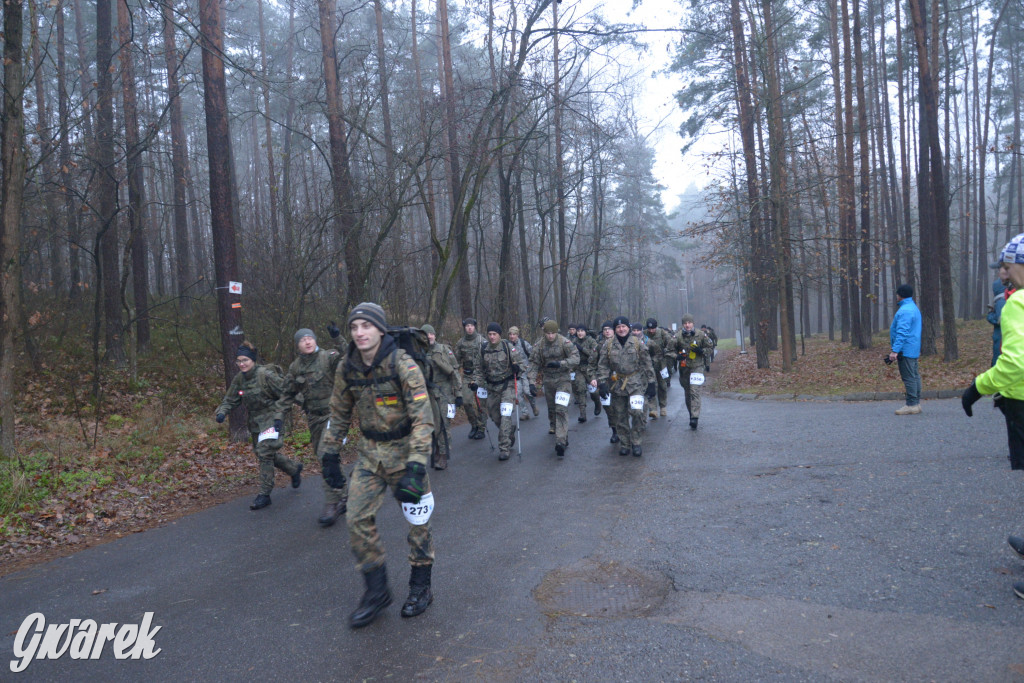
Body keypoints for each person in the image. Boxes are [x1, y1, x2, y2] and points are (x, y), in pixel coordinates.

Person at [318, 302, 436, 627]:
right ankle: (377, 591)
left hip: (406, 453)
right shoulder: (347, 367)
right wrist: (329, 452)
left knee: (418, 524)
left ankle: (420, 586)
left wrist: (416, 464)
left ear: (380, 329)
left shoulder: (403, 363)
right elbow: (339, 413)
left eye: (365, 326)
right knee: (356, 519)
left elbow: (423, 419)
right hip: (370, 454)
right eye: (354, 327)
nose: (359, 333)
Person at [961, 234, 1024, 601]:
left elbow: (1014, 361)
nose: (1006, 272)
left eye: (1008, 264)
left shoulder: (1017, 304)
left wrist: (978, 386)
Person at [215, 341, 303, 511]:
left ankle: (264, 494)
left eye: (245, 360)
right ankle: (293, 469)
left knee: (264, 452)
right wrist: (222, 412)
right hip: (255, 423)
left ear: (253, 360)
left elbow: (287, 392)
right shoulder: (239, 379)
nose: (242, 364)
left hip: (273, 418)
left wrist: (309, 405)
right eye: (239, 361)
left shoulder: (266, 375)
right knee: (264, 454)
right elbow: (230, 399)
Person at [274, 326, 346, 526]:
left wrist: (337, 337)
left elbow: (348, 356)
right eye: (302, 340)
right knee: (326, 458)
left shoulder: (328, 357)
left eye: (310, 338)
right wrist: (279, 417)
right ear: (297, 345)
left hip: (334, 415)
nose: (307, 342)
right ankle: (343, 495)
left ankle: (332, 504)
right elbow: (287, 393)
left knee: (325, 455)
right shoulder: (296, 367)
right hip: (314, 419)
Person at [596, 316, 655, 457]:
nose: (621, 329)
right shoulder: (608, 345)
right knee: (620, 415)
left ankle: (636, 442)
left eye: (623, 327)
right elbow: (603, 365)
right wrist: (602, 383)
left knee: (637, 412)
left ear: (628, 328)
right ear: (615, 329)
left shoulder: (637, 343)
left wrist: (652, 382)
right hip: (617, 384)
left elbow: (647, 363)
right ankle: (625, 443)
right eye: (618, 327)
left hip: (636, 383)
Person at [470, 323, 524, 461]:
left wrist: (517, 368)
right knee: (495, 417)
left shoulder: (508, 347)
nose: (492, 337)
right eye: (490, 334)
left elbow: (522, 364)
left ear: (500, 335)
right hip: (492, 388)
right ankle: (509, 431)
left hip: (507, 386)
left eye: (495, 334)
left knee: (505, 415)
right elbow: (478, 370)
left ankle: (504, 447)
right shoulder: (483, 349)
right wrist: (476, 382)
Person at [528, 320, 580, 456]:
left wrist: (560, 364)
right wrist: (532, 383)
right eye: (548, 333)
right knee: (552, 410)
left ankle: (560, 441)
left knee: (561, 409)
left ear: (557, 332)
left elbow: (576, 358)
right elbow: (533, 363)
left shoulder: (565, 342)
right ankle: (562, 435)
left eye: (553, 333)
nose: (550, 336)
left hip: (563, 379)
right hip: (548, 381)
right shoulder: (539, 345)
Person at [422, 324, 462, 470]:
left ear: (434, 335)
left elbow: (454, 371)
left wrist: (458, 393)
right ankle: (437, 450)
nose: (429, 337)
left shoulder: (444, 350)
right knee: (433, 425)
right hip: (428, 393)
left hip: (444, 392)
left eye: (431, 334)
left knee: (444, 425)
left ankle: (444, 455)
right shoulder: (420, 352)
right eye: (426, 335)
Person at [668, 314, 713, 430]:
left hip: (697, 367)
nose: (687, 325)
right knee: (688, 392)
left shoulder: (701, 335)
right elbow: (668, 351)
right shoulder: (677, 336)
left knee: (694, 391)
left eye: (689, 323)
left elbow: (710, 348)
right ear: (682, 324)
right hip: (684, 368)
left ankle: (695, 417)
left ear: (693, 323)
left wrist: (701, 351)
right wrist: (677, 356)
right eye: (685, 323)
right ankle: (691, 414)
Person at [889, 283, 923, 415]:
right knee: (914, 376)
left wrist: (895, 350)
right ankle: (916, 403)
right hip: (913, 348)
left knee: (909, 377)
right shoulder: (913, 307)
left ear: (900, 295)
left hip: (906, 349)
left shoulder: (905, 311)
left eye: (897, 294)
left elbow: (902, 332)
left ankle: (912, 404)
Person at [454, 318, 487, 439]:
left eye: (471, 326)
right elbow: (456, 361)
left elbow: (487, 358)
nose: (469, 328)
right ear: (464, 327)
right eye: (467, 326)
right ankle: (474, 425)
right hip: (468, 376)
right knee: (466, 402)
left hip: (480, 375)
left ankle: (482, 428)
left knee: (481, 405)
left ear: (474, 327)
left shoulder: (481, 341)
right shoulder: (460, 343)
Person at [508, 326, 538, 420]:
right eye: (510, 334)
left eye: (514, 334)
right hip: (515, 374)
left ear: (517, 335)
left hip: (525, 372)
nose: (512, 336)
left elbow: (533, 354)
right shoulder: (507, 345)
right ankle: (525, 413)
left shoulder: (523, 343)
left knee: (527, 392)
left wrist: (531, 367)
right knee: (518, 394)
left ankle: (533, 406)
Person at [645, 318, 673, 418]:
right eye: (649, 328)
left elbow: (670, 344)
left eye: (653, 328)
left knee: (662, 385)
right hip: (649, 364)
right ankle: (653, 409)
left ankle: (663, 406)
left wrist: (665, 350)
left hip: (661, 363)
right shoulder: (644, 334)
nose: (651, 330)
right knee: (651, 385)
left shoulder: (662, 333)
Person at [571, 325, 599, 423]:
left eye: (582, 331)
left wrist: (582, 349)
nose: (580, 333)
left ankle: (597, 403)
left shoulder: (591, 341)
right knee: (581, 390)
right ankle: (582, 414)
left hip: (590, 368)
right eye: (578, 331)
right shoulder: (574, 342)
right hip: (579, 369)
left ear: (586, 332)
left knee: (594, 391)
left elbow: (594, 354)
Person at [988, 262, 1010, 366]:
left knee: (998, 363)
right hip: (1001, 337)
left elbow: (1000, 319)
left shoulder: (1002, 298)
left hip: (1002, 337)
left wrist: (990, 316)